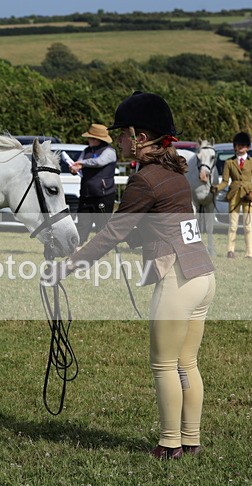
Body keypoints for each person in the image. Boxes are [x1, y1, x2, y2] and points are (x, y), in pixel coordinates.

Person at [62, 91, 216, 460]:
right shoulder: (174, 173)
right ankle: (190, 439)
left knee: (164, 364)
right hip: (203, 274)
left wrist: (71, 264)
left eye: (124, 135)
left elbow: (114, 231)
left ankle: (169, 444)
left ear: (141, 137)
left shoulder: (145, 179)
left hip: (177, 278)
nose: (120, 141)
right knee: (187, 363)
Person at [65, 123, 118, 244]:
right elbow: (79, 165)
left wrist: (81, 163)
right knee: (82, 225)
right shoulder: (86, 151)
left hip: (103, 196)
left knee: (102, 226)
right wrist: (74, 169)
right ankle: (77, 248)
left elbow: (99, 162)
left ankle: (102, 249)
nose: (89, 140)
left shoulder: (110, 152)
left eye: (91, 137)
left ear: (98, 139)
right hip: (86, 195)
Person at [212, 132, 252, 259]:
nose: (239, 148)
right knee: (233, 225)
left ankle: (249, 252)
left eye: (242, 146)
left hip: (248, 196)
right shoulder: (229, 162)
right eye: (237, 146)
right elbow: (225, 181)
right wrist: (216, 188)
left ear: (247, 147)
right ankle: (230, 250)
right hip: (234, 196)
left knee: (247, 225)